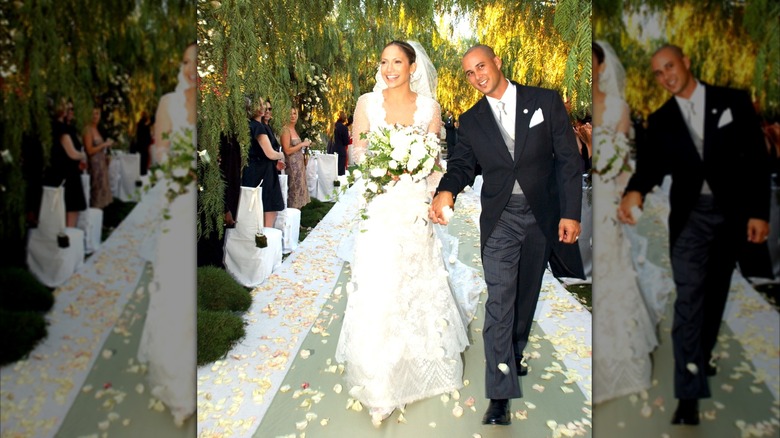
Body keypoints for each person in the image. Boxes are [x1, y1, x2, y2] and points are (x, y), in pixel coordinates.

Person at [429, 44, 584, 426]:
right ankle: (499, 393)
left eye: (481, 66)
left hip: (542, 216)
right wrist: (446, 189)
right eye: (469, 72)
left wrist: (570, 213)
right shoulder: (472, 120)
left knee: (527, 293)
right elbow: (463, 165)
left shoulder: (544, 101)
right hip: (501, 219)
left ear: (497, 62)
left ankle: (514, 349)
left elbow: (568, 159)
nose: (477, 76)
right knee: (500, 298)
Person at [617, 43, 771, 425]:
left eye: (670, 66)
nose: (666, 76)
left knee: (716, 293)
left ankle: (700, 355)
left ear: (686, 62)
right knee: (689, 297)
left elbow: (756, 160)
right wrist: (635, 189)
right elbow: (650, 167)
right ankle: (688, 393)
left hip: (733, 216)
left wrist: (758, 213)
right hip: (690, 220)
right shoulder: (661, 118)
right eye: (658, 72)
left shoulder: (732, 101)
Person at [335, 40, 472, 427]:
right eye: (384, 61)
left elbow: (434, 164)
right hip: (380, 209)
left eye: (397, 61)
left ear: (413, 67)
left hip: (413, 210)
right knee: (380, 287)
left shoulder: (430, 108)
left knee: (415, 284)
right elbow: (357, 153)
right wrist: (384, 162)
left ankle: (421, 367)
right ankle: (380, 383)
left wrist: (435, 200)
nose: (389, 68)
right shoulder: (366, 103)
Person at [590, 41, 658, 404]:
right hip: (590, 197)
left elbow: (627, 166)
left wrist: (623, 197)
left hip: (609, 205)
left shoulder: (619, 109)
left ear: (601, 67)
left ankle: (618, 359)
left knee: (613, 273)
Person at [137, 42, 197, 427]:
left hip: (200, 196)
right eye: (187, 60)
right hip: (178, 198)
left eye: (197, 61)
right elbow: (157, 150)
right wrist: (180, 162)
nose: (192, 67)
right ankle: (178, 388)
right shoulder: (168, 103)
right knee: (176, 285)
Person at [241, 95, 286, 227]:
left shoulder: (248, 125)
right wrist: (282, 154)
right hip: (263, 172)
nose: (262, 108)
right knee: (269, 207)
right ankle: (266, 239)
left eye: (263, 105)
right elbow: (270, 153)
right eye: (259, 105)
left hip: (252, 169)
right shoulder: (258, 127)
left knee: (255, 206)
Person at [45, 98, 88, 228]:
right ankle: (70, 233)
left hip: (58, 171)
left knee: (63, 206)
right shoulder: (61, 128)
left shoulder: (51, 127)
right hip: (68, 173)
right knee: (72, 205)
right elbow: (72, 153)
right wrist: (84, 155)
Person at [82, 103, 114, 209]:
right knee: (95, 191)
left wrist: (105, 156)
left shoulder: (97, 129)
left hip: (101, 164)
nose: (95, 116)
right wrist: (104, 144)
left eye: (97, 113)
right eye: (93, 114)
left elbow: (99, 149)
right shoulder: (88, 129)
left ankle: (100, 218)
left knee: (102, 190)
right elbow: (89, 150)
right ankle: (93, 216)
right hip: (94, 165)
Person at [280, 107, 311, 209]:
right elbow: (287, 150)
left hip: (299, 165)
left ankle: (297, 219)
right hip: (291, 166)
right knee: (294, 191)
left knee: (300, 189)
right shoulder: (286, 130)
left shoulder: (294, 129)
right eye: (290, 114)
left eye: (294, 113)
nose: (293, 116)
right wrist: (302, 144)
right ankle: (291, 219)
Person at [332, 111, 350, 176]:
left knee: (332, 171)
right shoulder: (344, 128)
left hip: (331, 150)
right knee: (339, 173)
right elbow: (346, 142)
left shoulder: (331, 127)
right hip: (340, 151)